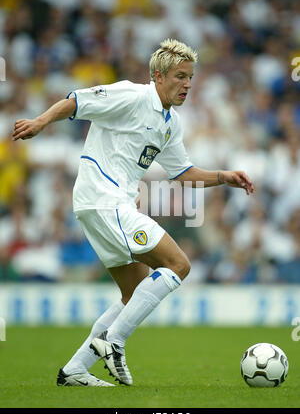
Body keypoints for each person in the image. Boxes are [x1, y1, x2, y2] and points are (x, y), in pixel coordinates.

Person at [12, 39, 254, 387]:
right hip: (104, 199)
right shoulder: (133, 95)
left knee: (135, 291)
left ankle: (75, 369)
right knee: (179, 265)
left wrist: (224, 177)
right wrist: (40, 121)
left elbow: (182, 173)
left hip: (104, 204)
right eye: (180, 76)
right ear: (158, 75)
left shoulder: (171, 123)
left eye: (191, 77)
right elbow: (77, 100)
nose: (187, 84)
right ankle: (115, 341)